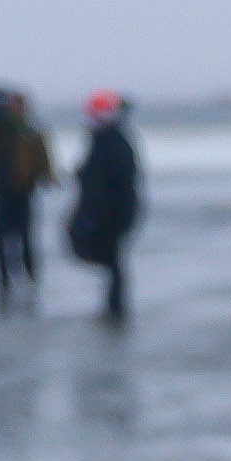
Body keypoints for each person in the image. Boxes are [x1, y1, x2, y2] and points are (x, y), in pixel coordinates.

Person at [0, 85, 59, 306]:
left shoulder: (31, 131)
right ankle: (4, 280)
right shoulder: (0, 130)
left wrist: (48, 175)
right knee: (1, 238)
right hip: (2, 191)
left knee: (25, 237)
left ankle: (30, 276)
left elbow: (43, 156)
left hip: (24, 191)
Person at [70, 88, 144, 321]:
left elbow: (116, 180)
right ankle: (114, 305)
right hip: (103, 210)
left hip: (112, 211)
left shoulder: (114, 142)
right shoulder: (104, 140)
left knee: (111, 258)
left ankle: (116, 308)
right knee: (106, 257)